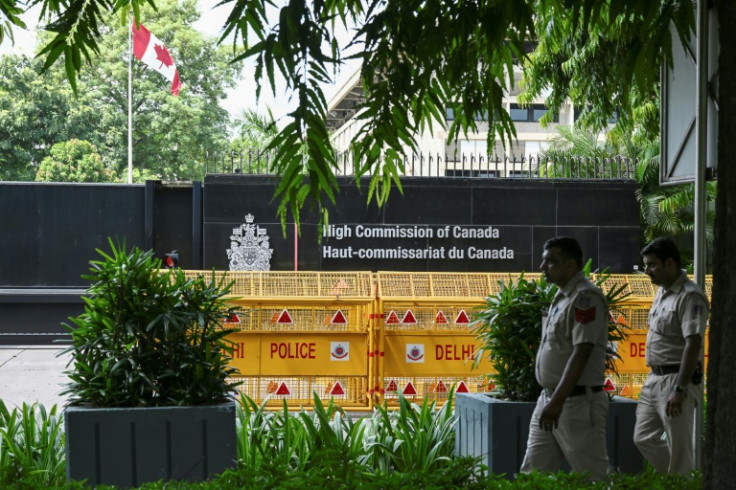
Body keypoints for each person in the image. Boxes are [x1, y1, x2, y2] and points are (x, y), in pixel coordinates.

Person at [520, 236, 611, 479]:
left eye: (550, 262)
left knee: (594, 478)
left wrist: (557, 401)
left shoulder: (585, 298)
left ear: (570, 265)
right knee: (533, 475)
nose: (542, 268)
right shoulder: (563, 296)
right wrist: (552, 400)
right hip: (550, 400)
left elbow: (582, 352)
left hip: (575, 404)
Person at [633, 237, 708, 474]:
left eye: (652, 265)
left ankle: (682, 477)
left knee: (679, 448)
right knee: (642, 437)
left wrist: (680, 389)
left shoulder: (690, 296)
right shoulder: (662, 293)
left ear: (669, 264)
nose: (647, 271)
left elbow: (693, 342)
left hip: (676, 380)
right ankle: (680, 478)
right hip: (654, 378)